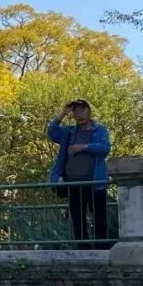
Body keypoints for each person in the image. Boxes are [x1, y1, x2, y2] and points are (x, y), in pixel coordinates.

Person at [47, 100, 110, 246]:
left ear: (89, 111)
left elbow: (105, 148)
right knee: (78, 218)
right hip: (74, 183)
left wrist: (84, 146)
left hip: (95, 183)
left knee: (100, 217)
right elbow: (51, 132)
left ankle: (103, 249)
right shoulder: (68, 132)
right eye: (75, 112)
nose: (79, 115)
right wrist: (62, 113)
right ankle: (83, 249)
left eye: (82, 111)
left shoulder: (99, 130)